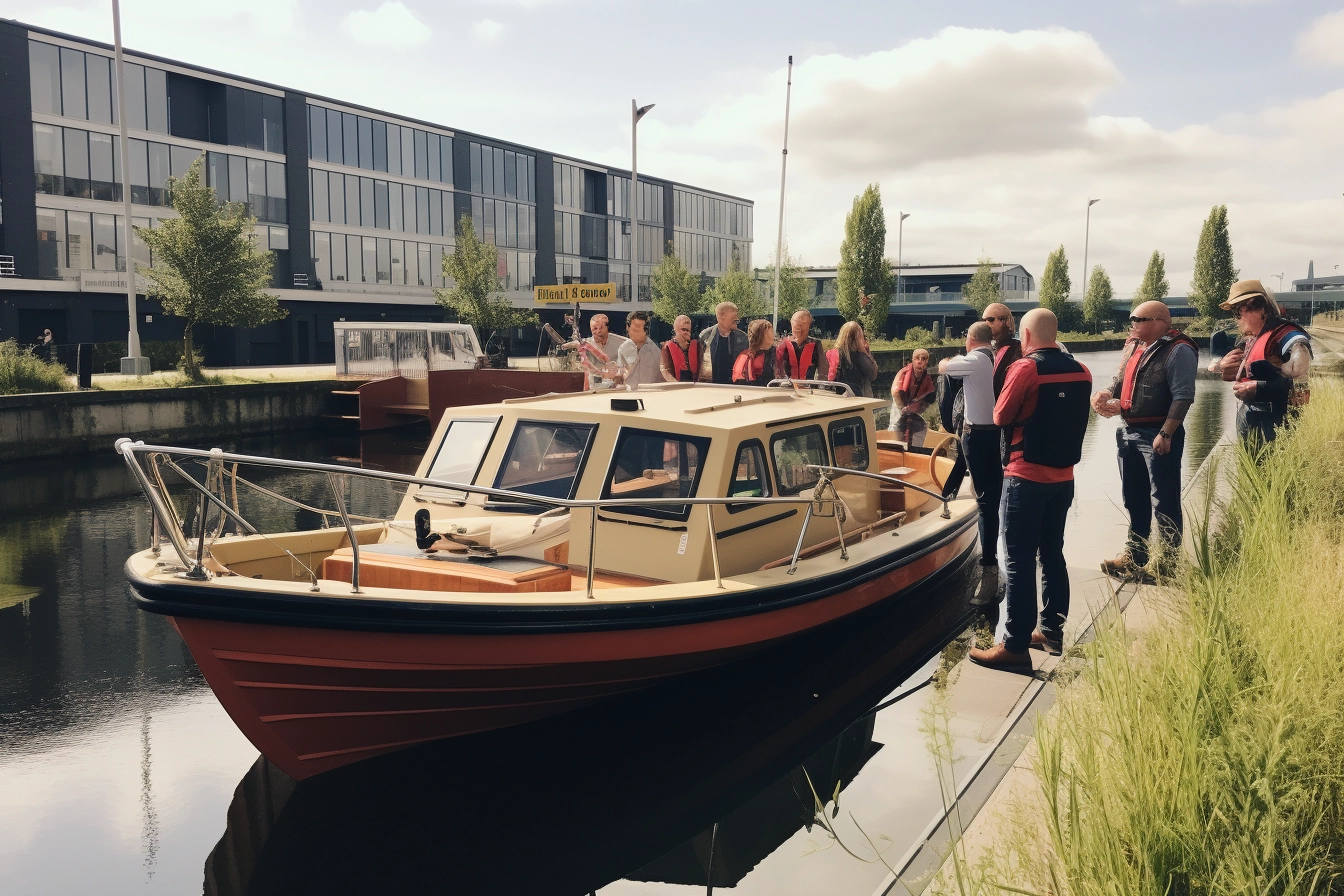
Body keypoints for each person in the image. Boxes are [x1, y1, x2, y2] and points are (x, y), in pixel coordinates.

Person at [969, 309, 1091, 670]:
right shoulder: (1081, 369)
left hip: (1025, 477)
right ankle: (1052, 630)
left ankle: (1015, 646)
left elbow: (1000, 416)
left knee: (1018, 561)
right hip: (1064, 478)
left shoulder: (1025, 367)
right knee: (1052, 553)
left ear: (1025, 334)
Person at [1093, 301, 1198, 580]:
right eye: (1132, 319)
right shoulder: (1134, 346)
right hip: (1128, 432)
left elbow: (1183, 396)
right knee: (1134, 498)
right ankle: (1135, 556)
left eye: (1138, 319)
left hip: (1157, 434)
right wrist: (1104, 394)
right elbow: (1119, 381)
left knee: (1164, 502)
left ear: (1159, 321)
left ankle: (1166, 566)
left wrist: (1167, 433)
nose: (1133, 323)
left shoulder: (1180, 350)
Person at [1212, 279, 1311, 445]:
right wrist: (1231, 369)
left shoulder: (1285, 336)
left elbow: (1301, 381)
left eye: (1238, 311)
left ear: (1260, 308)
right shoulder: (1254, 337)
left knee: (1266, 468)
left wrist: (1259, 388)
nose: (1237, 318)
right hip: (1253, 414)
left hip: (1274, 420)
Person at [939, 321, 1000, 577]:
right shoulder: (997, 357)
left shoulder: (975, 359)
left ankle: (987, 559)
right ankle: (991, 549)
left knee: (984, 498)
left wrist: (955, 357)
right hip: (997, 433)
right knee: (994, 495)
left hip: (977, 435)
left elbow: (944, 368)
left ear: (971, 338)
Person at [564, 313, 627, 390]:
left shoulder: (623, 343)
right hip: (593, 388)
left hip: (616, 387)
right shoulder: (585, 344)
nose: (598, 332)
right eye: (595, 328)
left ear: (607, 327)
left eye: (601, 328)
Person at [891, 348, 936, 446]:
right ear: (912, 360)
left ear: (927, 362)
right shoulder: (903, 373)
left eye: (923, 359)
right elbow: (895, 392)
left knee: (919, 436)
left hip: (916, 415)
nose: (920, 361)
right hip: (900, 412)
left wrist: (919, 406)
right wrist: (903, 407)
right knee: (897, 442)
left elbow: (929, 398)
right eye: (917, 358)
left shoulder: (927, 378)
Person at [699, 302, 748, 384]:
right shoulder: (706, 335)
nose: (737, 318)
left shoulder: (743, 338)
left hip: (736, 385)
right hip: (711, 386)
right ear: (721, 316)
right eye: (734, 314)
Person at [826, 321, 879, 397]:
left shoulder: (831, 353)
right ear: (859, 338)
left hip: (835, 396)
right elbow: (872, 375)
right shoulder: (860, 356)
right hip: (857, 399)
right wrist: (867, 353)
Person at [774, 309, 829, 381]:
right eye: (796, 321)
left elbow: (823, 370)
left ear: (809, 326)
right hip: (786, 388)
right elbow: (776, 369)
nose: (798, 325)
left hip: (809, 388)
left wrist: (821, 387)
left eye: (803, 323)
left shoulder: (816, 345)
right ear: (791, 323)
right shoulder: (782, 345)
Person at [982, 303, 1022, 397]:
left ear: (1006, 320)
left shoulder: (1017, 349)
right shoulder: (989, 348)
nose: (986, 324)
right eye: (984, 320)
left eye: (991, 320)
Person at [616, 311, 662, 388]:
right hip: (629, 394)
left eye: (640, 329)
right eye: (635, 329)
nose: (638, 333)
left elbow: (661, 377)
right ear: (628, 327)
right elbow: (620, 373)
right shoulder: (623, 349)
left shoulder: (655, 350)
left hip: (649, 394)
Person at [660, 314, 704, 383]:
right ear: (675, 328)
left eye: (688, 329)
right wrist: (675, 384)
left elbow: (703, 367)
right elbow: (664, 369)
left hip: (695, 387)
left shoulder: (698, 346)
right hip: (677, 387)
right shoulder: (667, 347)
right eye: (683, 329)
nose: (687, 322)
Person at [732, 319, 777, 386]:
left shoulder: (778, 353)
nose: (773, 334)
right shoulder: (745, 356)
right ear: (762, 335)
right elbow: (739, 381)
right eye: (770, 331)